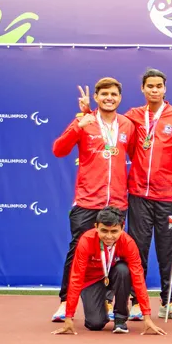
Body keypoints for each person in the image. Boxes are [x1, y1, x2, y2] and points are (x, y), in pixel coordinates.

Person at [78, 69, 172, 322]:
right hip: (139, 192)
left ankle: (168, 301)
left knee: (168, 250)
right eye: (149, 86)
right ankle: (136, 303)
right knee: (138, 250)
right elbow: (107, 135)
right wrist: (87, 113)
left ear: (165, 88)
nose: (154, 90)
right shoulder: (131, 117)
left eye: (158, 86)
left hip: (167, 193)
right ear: (142, 89)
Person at [51, 78, 135, 322]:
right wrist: (79, 125)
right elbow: (58, 150)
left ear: (120, 98)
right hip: (87, 200)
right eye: (105, 94)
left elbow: (141, 155)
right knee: (78, 249)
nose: (109, 98)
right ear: (97, 97)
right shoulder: (84, 121)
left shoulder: (127, 125)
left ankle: (107, 301)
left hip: (117, 202)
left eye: (114, 94)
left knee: (112, 252)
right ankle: (65, 301)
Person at [51, 207, 166, 336]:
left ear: (122, 228)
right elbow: (76, 277)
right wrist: (68, 317)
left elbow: (138, 278)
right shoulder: (86, 241)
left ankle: (120, 319)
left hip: (114, 275)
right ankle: (102, 305)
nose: (109, 236)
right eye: (104, 230)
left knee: (123, 270)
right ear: (96, 227)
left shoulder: (128, 243)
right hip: (92, 281)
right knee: (95, 324)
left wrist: (147, 317)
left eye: (114, 231)